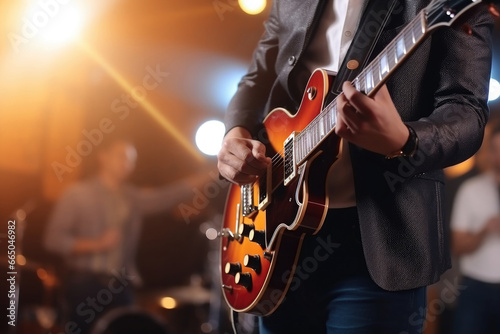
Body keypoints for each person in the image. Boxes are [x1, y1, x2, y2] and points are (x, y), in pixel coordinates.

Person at [217, 1, 494, 333]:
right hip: (275, 231)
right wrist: (235, 132)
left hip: (382, 238)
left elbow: (466, 111)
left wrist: (405, 139)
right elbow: (257, 76)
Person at [44, 139, 208, 334]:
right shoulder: (77, 194)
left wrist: (210, 175)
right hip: (84, 284)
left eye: (132, 160)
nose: (127, 164)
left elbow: (167, 196)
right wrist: (95, 244)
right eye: (122, 157)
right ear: (103, 157)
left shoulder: (132, 197)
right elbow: (52, 239)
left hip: (121, 287)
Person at [451, 126, 500, 334]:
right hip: (476, 288)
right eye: (497, 149)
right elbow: (458, 247)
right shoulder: (470, 190)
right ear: (489, 151)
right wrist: (484, 231)